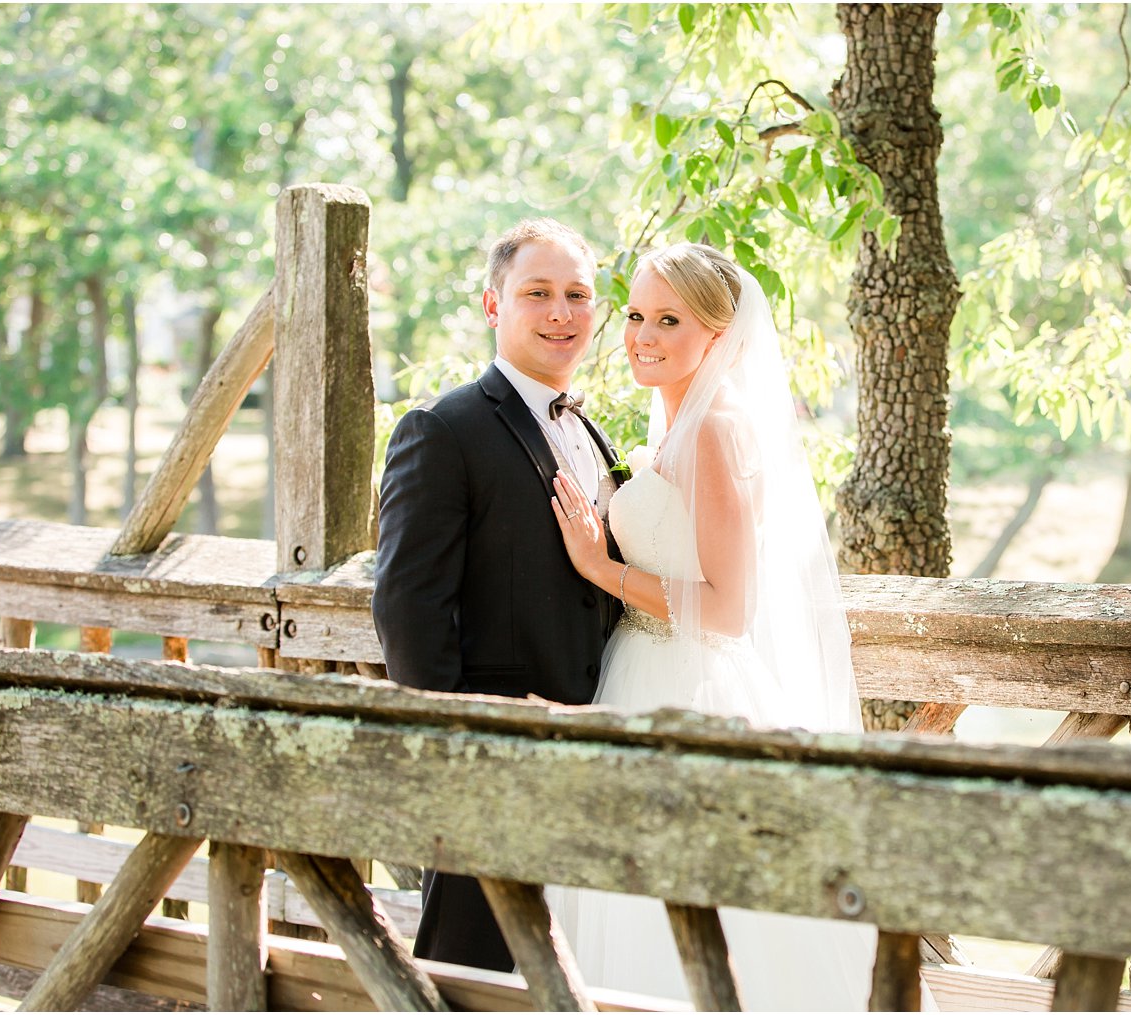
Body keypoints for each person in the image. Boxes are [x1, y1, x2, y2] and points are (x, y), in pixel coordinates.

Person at [546, 243, 924, 1010]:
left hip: (691, 685)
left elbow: (726, 607)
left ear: (718, 336)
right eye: (634, 315)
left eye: (668, 320)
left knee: (691, 897)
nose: (641, 335)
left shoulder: (717, 427)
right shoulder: (676, 418)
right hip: (638, 675)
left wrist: (598, 568)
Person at [371, 218, 627, 972]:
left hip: (595, 754)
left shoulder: (592, 431)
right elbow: (408, 610)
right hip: (496, 756)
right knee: (474, 976)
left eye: (577, 295)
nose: (561, 312)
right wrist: (460, 746)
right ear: (493, 306)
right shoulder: (441, 429)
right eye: (537, 293)